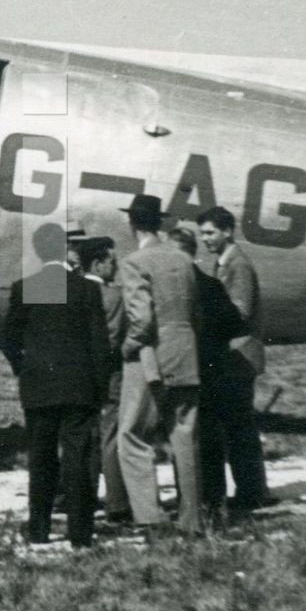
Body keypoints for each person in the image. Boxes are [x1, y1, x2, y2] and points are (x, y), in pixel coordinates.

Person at [4, 222, 109, 548]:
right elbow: (99, 345)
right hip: (79, 387)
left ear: (37, 251)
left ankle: (39, 530)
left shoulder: (25, 288)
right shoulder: (86, 289)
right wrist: (100, 388)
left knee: (42, 459)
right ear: (66, 249)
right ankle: (80, 534)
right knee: (78, 460)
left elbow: (9, 340)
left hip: (39, 388)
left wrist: (26, 369)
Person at [117, 195, 206, 535]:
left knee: (132, 436)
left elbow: (141, 321)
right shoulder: (184, 260)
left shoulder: (134, 262)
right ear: (159, 223)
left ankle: (150, 518)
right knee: (184, 434)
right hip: (186, 353)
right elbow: (195, 313)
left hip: (151, 357)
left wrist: (127, 348)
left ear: (133, 224)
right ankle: (192, 520)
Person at [196, 206, 276, 511]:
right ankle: (251, 489)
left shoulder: (237, 265)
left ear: (227, 231)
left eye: (210, 233)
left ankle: (252, 491)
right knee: (238, 425)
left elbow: (239, 312)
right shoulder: (224, 262)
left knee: (239, 426)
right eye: (202, 233)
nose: (205, 239)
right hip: (233, 355)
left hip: (238, 356)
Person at [167, 225, 243, 523]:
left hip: (178, 373)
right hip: (211, 373)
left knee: (182, 440)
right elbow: (236, 325)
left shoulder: (167, 290)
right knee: (211, 439)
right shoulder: (211, 286)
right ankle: (216, 505)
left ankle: (189, 507)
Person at [78, 236, 130, 525]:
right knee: (110, 436)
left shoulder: (71, 291)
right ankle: (118, 503)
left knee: (84, 437)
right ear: (98, 264)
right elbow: (111, 339)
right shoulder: (114, 296)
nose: (117, 266)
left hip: (79, 374)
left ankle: (82, 498)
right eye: (112, 261)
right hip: (109, 373)